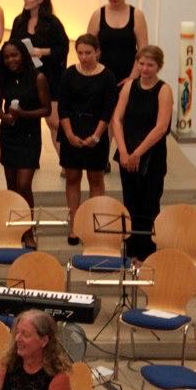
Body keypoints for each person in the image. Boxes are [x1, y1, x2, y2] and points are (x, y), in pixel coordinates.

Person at [111, 45, 173, 263]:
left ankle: (147, 256)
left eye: (150, 65)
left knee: (149, 205)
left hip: (151, 156)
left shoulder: (164, 90)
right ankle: (131, 254)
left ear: (158, 67)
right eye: (142, 64)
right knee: (130, 204)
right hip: (128, 153)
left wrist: (137, 153)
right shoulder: (130, 86)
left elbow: (161, 127)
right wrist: (123, 151)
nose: (145, 69)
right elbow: (117, 118)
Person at [58, 34, 118, 242]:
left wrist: (96, 136)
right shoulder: (69, 74)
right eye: (80, 53)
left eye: (88, 53)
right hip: (72, 130)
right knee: (72, 177)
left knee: (95, 178)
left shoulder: (107, 76)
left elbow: (108, 110)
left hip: (96, 131)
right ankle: (75, 224)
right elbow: (63, 107)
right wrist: (69, 135)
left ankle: (94, 225)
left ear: (97, 52)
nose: (84, 57)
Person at [8, 0, 68, 157]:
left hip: (50, 77)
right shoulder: (19, 21)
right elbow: (11, 44)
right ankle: (26, 157)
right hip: (26, 77)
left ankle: (65, 161)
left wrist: (42, 51)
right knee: (25, 118)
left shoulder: (52, 23)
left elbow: (63, 48)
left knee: (54, 121)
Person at [0, 40, 50, 211]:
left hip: (30, 136)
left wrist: (23, 114)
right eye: (7, 57)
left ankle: (27, 224)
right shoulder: (2, 77)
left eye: (14, 55)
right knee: (11, 186)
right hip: (9, 135)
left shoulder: (38, 77)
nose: (11, 60)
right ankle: (14, 223)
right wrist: (5, 117)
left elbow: (46, 109)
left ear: (23, 55)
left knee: (23, 186)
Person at [87, 0, 148, 86]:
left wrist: (132, 77)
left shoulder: (137, 15)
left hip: (130, 75)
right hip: (101, 76)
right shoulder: (98, 14)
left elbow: (143, 50)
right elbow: (88, 47)